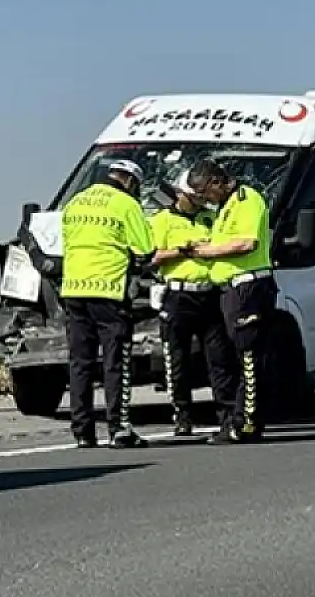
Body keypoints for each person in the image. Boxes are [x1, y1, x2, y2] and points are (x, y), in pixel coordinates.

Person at [60, 159, 154, 448]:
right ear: (130, 181)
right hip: (108, 291)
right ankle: (118, 428)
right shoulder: (126, 204)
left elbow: (65, 243)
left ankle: (83, 432)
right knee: (116, 363)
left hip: (74, 289)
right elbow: (145, 249)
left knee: (80, 364)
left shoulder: (76, 202)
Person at [185, 158, 277, 444]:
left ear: (216, 182)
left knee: (248, 358)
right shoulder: (224, 206)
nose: (202, 198)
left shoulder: (246, 199)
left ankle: (248, 422)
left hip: (247, 288)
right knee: (224, 360)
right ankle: (231, 421)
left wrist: (208, 251)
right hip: (227, 290)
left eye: (203, 191)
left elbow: (246, 243)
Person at [148, 169, 237, 437]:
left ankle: (227, 416)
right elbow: (150, 257)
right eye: (194, 196)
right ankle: (182, 416)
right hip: (178, 296)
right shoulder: (162, 221)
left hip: (209, 294)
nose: (200, 200)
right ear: (180, 194)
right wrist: (181, 250)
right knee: (177, 359)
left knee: (219, 360)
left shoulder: (211, 217)